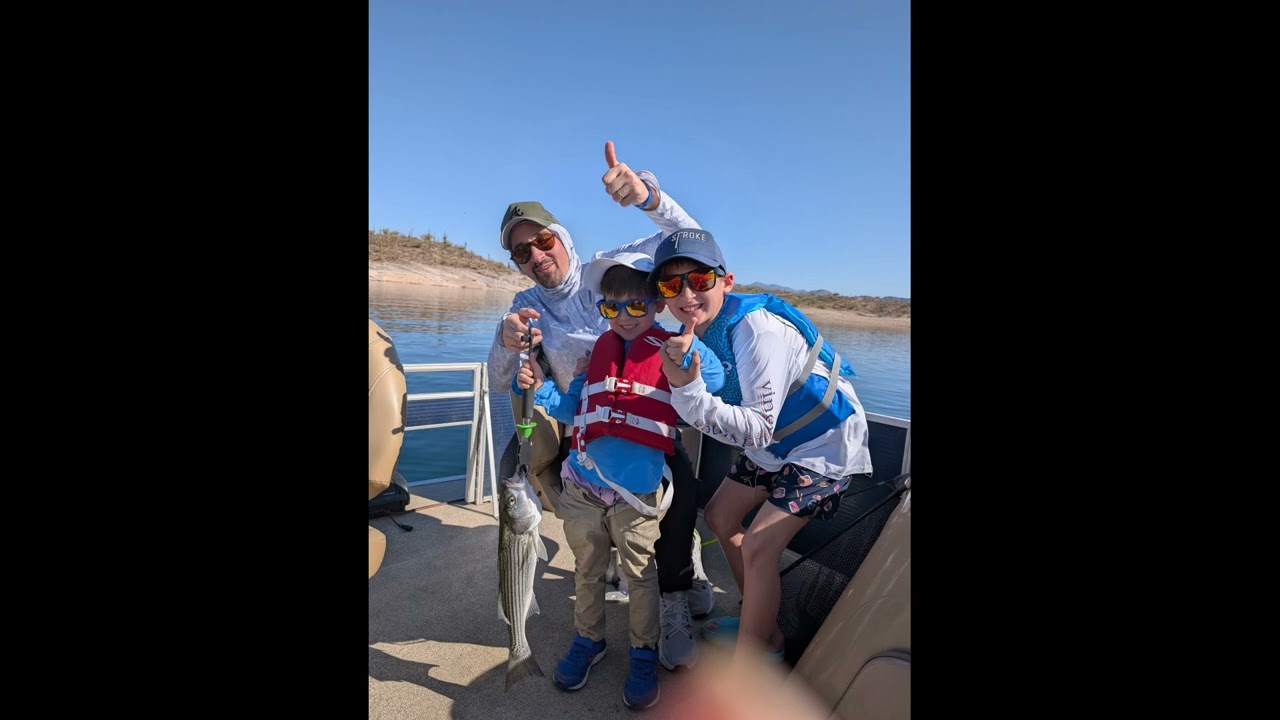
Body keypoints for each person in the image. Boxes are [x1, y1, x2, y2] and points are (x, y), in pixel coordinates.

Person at [487, 141, 713, 670]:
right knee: (592, 533)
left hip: (646, 416)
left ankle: (681, 586)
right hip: (582, 422)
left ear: (560, 236)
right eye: (522, 252)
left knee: (676, 507)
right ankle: (596, 621)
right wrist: (505, 340)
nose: (537, 255)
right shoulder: (526, 306)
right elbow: (501, 378)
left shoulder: (609, 273)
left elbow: (688, 242)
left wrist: (646, 194)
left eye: (542, 240)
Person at [648, 228, 874, 662]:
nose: (686, 294)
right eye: (671, 284)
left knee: (757, 545)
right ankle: (761, 621)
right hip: (779, 445)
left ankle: (755, 660)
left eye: (699, 281)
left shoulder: (756, 330)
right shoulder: (697, 330)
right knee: (719, 515)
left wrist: (689, 390)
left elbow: (755, 431)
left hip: (825, 444)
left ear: (726, 282)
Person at [514, 253, 725, 707]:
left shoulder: (675, 347)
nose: (624, 317)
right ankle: (589, 640)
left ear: (657, 303)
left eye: (636, 306)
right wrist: (531, 383)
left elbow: (716, 377)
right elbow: (572, 405)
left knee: (641, 576)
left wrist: (689, 357)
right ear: (602, 309)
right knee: (586, 570)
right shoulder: (597, 357)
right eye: (612, 307)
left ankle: (643, 651)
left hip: (638, 495)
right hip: (583, 487)